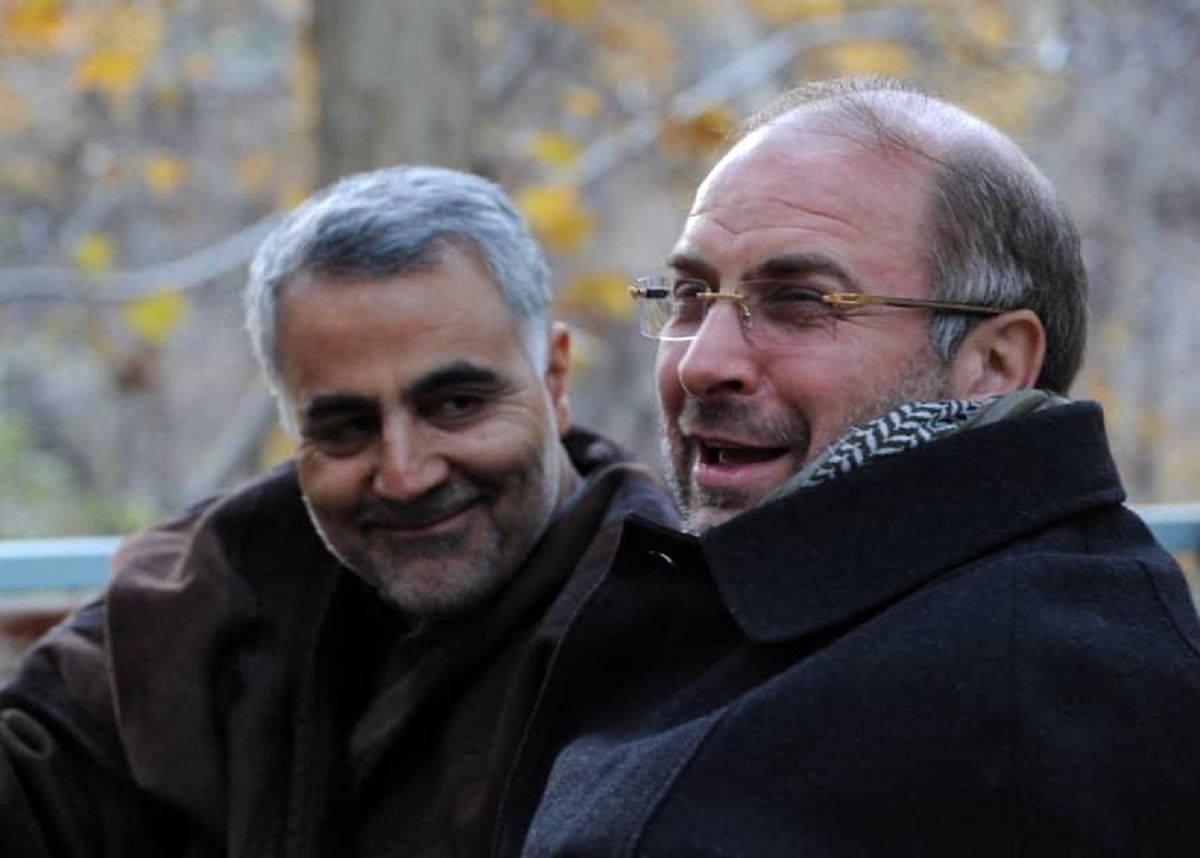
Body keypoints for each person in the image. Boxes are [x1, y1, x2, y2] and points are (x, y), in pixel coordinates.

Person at [494, 77, 1200, 856]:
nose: (701, 363)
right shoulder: (802, 609)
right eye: (692, 295)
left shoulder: (1041, 701)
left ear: (995, 363)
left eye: (800, 301)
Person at [0, 166, 678, 856]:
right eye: (346, 427)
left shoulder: (670, 628)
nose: (406, 475)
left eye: (457, 405)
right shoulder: (218, 584)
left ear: (555, 380)